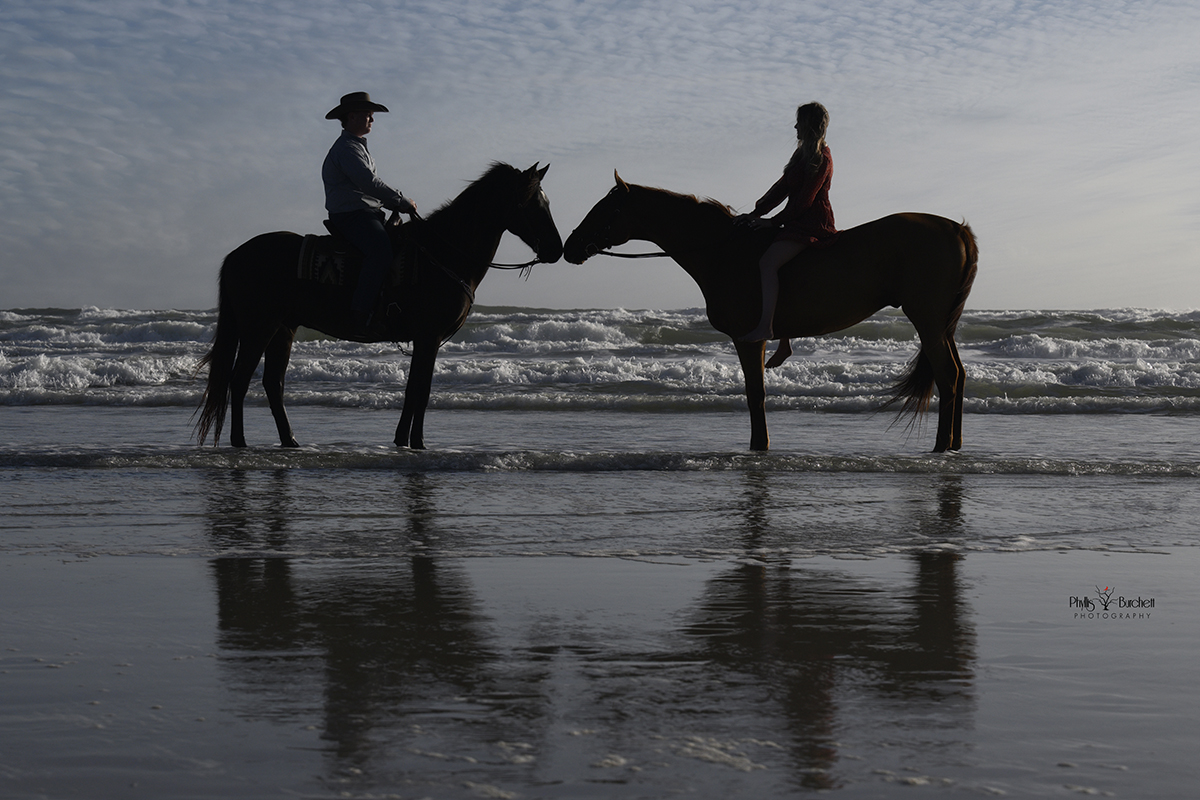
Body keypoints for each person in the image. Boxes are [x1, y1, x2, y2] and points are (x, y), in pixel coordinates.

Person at [737, 101, 838, 366]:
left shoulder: (822, 157)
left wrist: (774, 222)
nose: (794, 126)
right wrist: (756, 213)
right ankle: (785, 343)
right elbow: (781, 187)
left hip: (811, 223)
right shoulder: (801, 154)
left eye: (798, 121)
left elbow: (805, 199)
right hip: (793, 221)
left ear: (809, 125)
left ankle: (766, 328)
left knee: (768, 263)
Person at [322, 91, 418, 333]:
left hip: (364, 212)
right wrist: (401, 200)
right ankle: (360, 314)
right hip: (352, 215)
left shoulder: (356, 147)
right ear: (352, 116)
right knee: (380, 251)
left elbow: (368, 187)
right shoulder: (347, 149)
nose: (372, 120)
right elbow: (369, 183)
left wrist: (394, 203)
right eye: (368, 115)